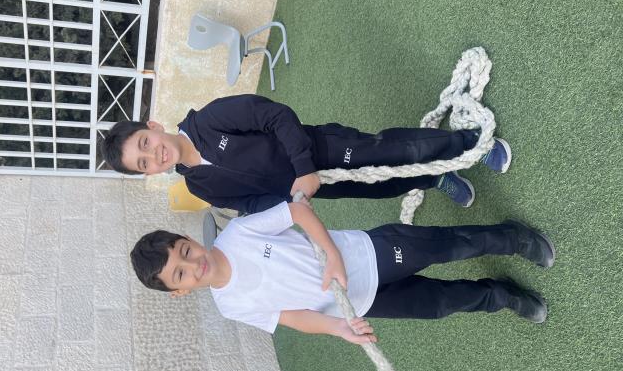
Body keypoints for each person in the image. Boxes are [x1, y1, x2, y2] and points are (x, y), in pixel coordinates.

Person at [129, 201, 555, 343]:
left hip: (369, 254)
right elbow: (291, 316)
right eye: (181, 274)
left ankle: (512, 238)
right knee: (441, 304)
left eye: (185, 251)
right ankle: (501, 295)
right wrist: (339, 328)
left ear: (188, 239)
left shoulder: (238, 233)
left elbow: (297, 211)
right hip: (364, 302)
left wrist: (332, 255)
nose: (194, 265)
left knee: (449, 246)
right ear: (179, 292)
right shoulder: (230, 305)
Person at [102, 94, 511, 214]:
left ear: (153, 126)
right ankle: (435, 177)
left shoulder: (209, 120)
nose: (153, 155)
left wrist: (303, 167)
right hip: (315, 188)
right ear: (148, 174)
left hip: (322, 149)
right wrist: (291, 204)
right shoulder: (200, 186)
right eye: (143, 163)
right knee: (382, 187)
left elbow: (276, 116)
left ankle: (472, 143)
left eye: (144, 143)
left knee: (396, 151)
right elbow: (250, 203)